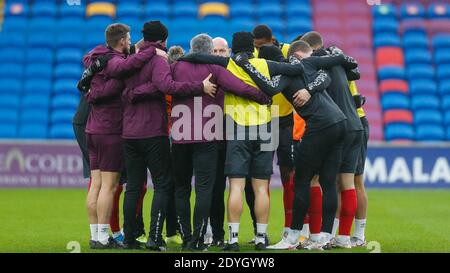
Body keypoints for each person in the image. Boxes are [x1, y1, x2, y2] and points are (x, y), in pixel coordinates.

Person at [180, 31, 307, 251]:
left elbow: (199, 57)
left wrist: (181, 57)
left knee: (236, 186)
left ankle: (232, 239)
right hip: (267, 128)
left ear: (233, 48)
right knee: (260, 187)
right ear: (253, 48)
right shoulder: (265, 64)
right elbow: (296, 69)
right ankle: (260, 237)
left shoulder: (227, 64)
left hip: (237, 129)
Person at [232, 40, 358, 250]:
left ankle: (292, 237)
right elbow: (330, 71)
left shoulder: (286, 73)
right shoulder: (307, 64)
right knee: (327, 181)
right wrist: (312, 86)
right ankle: (323, 237)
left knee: (300, 180)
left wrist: (247, 66)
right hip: (340, 122)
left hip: (320, 125)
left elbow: (269, 88)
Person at [120, 21, 217, 251]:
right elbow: (167, 86)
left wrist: (133, 92)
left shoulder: (130, 58)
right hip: (152, 130)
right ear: (163, 40)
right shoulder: (159, 59)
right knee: (163, 185)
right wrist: (198, 87)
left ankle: (129, 237)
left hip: (129, 131)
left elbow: (122, 87)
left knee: (133, 186)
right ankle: (154, 237)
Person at [82, 23, 160, 249]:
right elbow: (125, 68)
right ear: (122, 40)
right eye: (128, 39)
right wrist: (152, 51)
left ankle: (95, 235)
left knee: (96, 184)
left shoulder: (97, 56)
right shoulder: (116, 63)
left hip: (92, 129)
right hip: (110, 130)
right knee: (110, 185)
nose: (130, 41)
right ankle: (104, 236)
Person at [301, 31, 364, 249]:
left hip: (338, 127)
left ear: (310, 50)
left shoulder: (317, 65)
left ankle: (318, 236)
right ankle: (344, 237)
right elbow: (354, 74)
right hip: (356, 126)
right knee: (347, 183)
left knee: (318, 180)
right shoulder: (338, 63)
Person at [203, 37, 232, 248]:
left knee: (220, 189)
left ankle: (220, 233)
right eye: (215, 51)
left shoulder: (233, 73)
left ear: (229, 52)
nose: (219, 54)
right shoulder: (200, 74)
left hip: (226, 138)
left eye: (222, 51)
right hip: (203, 138)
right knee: (207, 188)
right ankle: (206, 231)